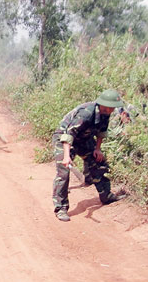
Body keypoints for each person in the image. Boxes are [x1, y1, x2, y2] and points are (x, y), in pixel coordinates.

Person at [52, 89, 126, 221]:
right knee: (64, 171)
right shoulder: (86, 113)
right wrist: (67, 156)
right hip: (64, 138)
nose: (113, 110)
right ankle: (61, 208)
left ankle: (106, 196)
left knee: (98, 162)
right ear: (103, 104)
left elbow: (101, 132)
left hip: (84, 139)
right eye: (111, 107)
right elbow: (69, 134)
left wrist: (97, 149)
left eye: (114, 108)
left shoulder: (106, 113)